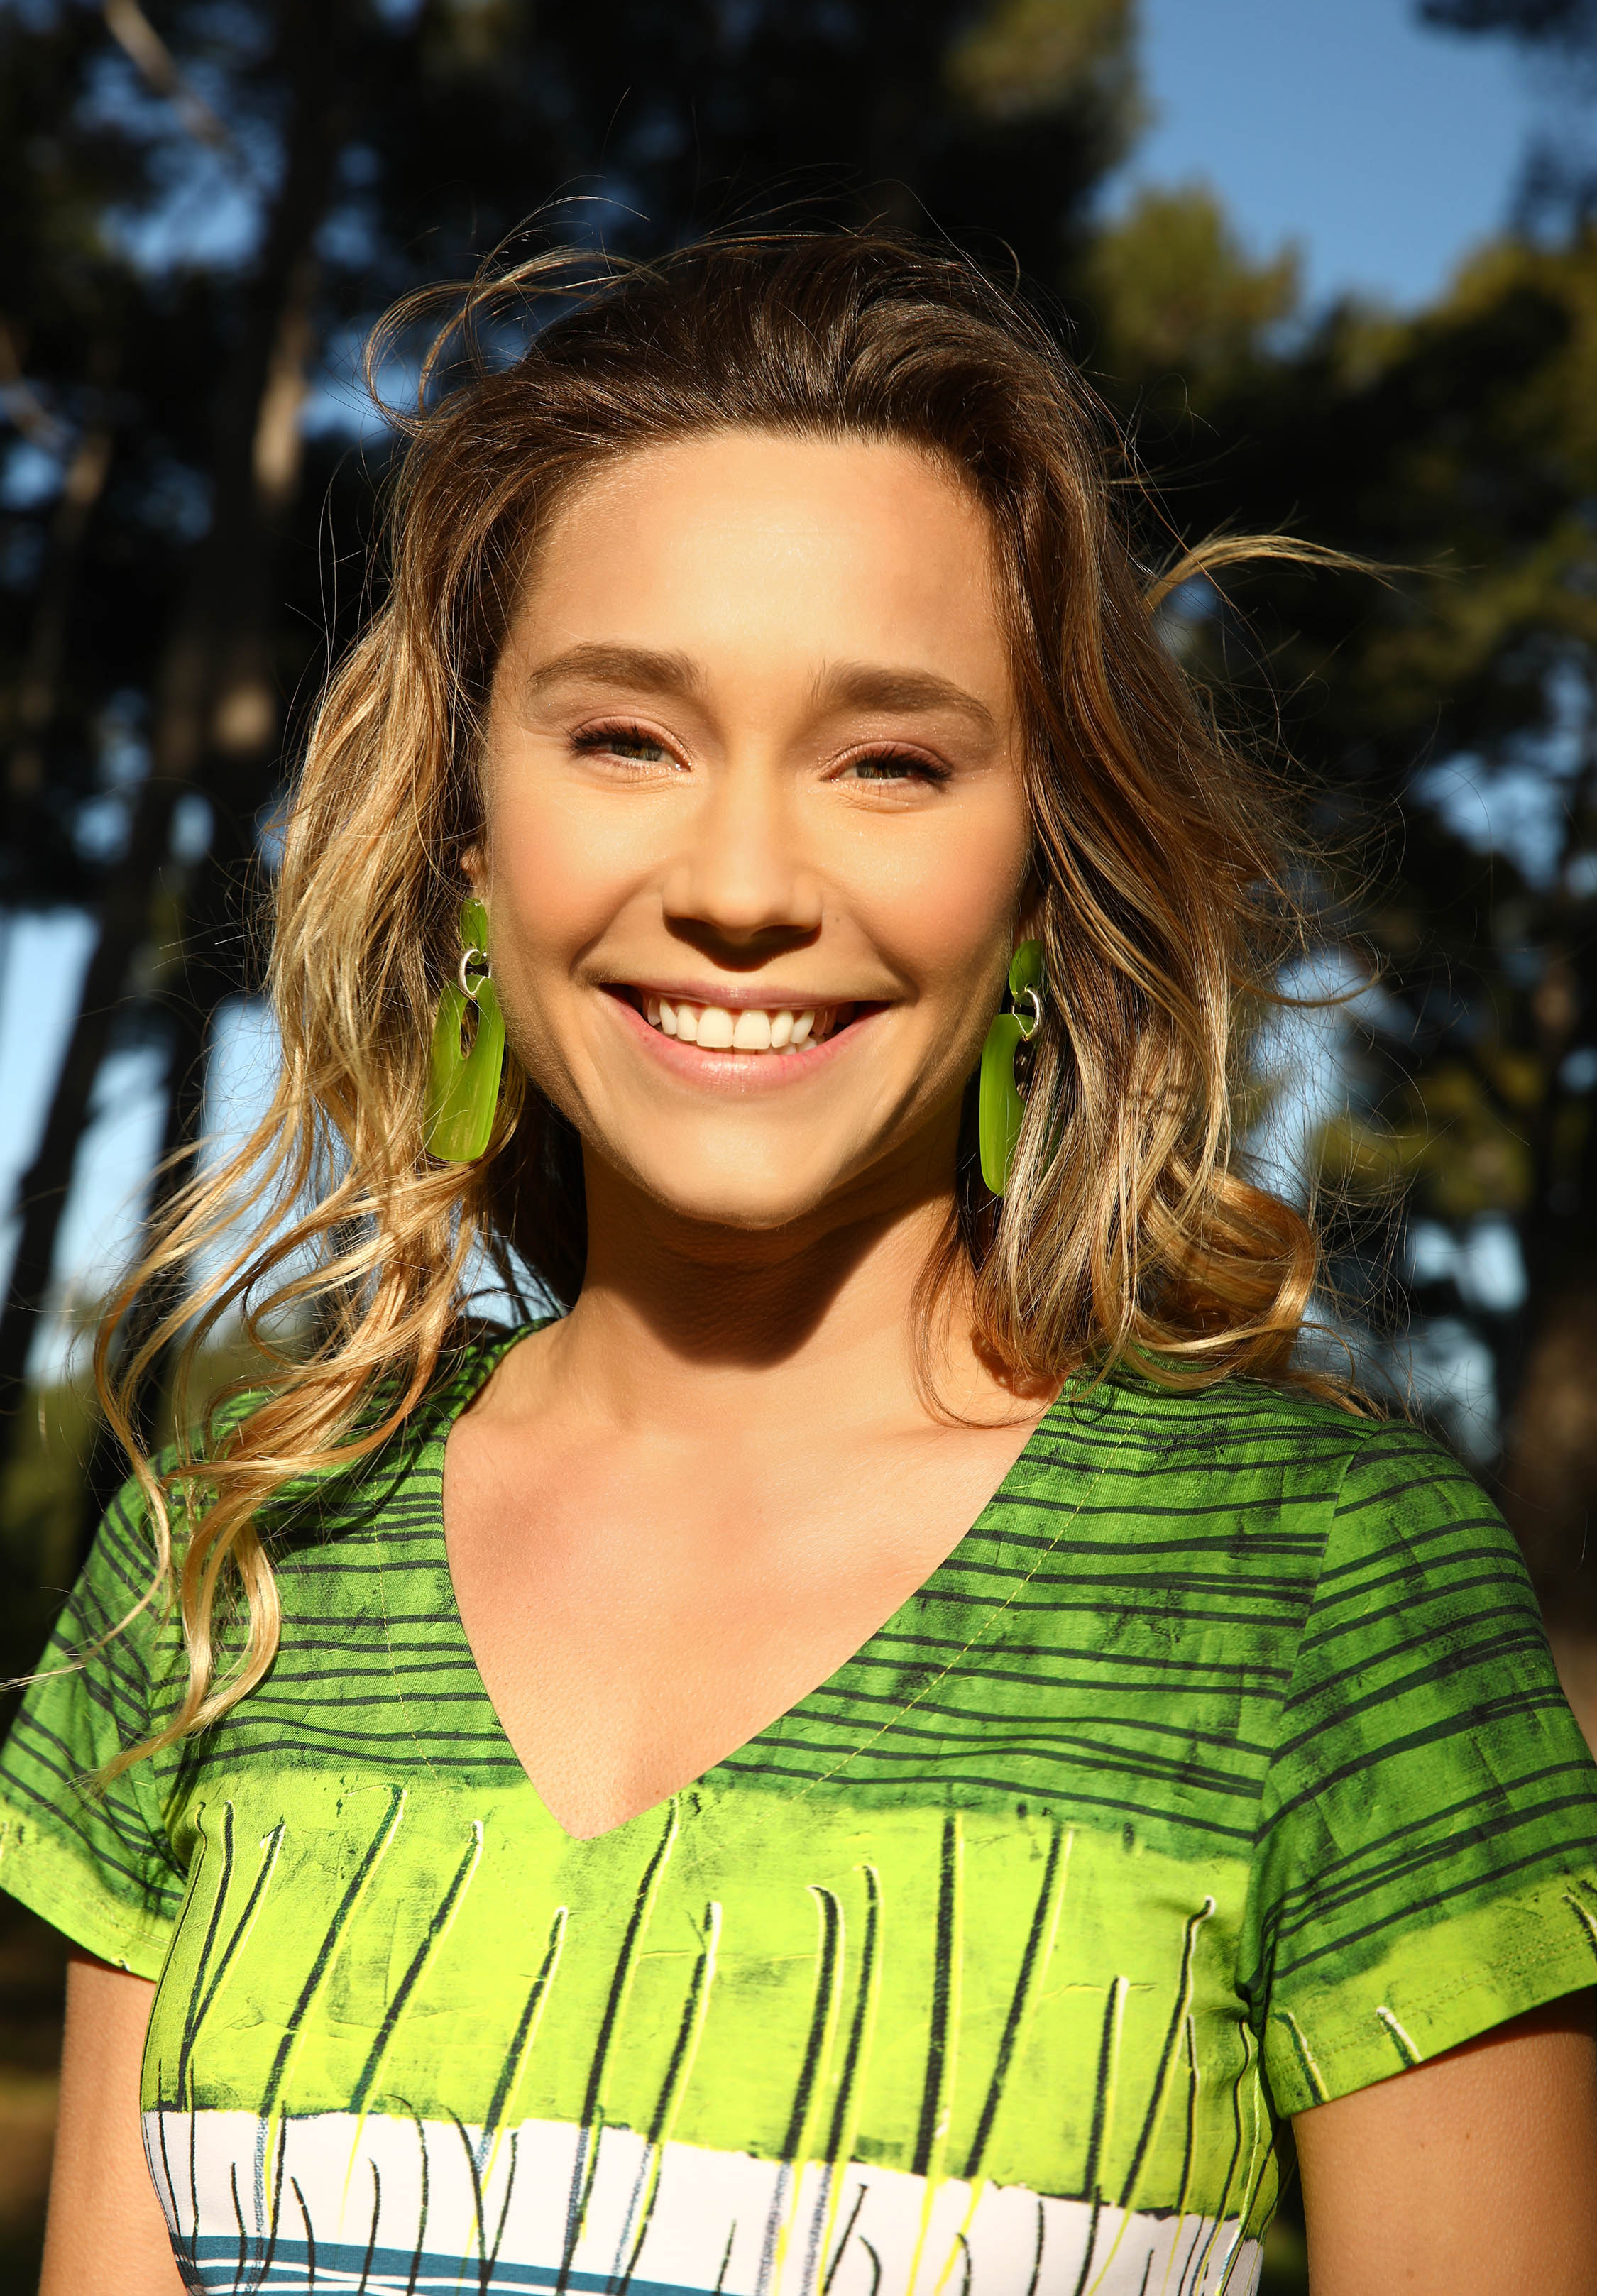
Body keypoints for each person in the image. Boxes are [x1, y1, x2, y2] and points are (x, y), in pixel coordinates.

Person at [3, 232, 1595, 2296]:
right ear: (469, 844)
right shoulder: (226, 1562)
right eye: (625, 739)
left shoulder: (1326, 1587)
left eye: (889, 761)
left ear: (1042, 884)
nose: (743, 886)